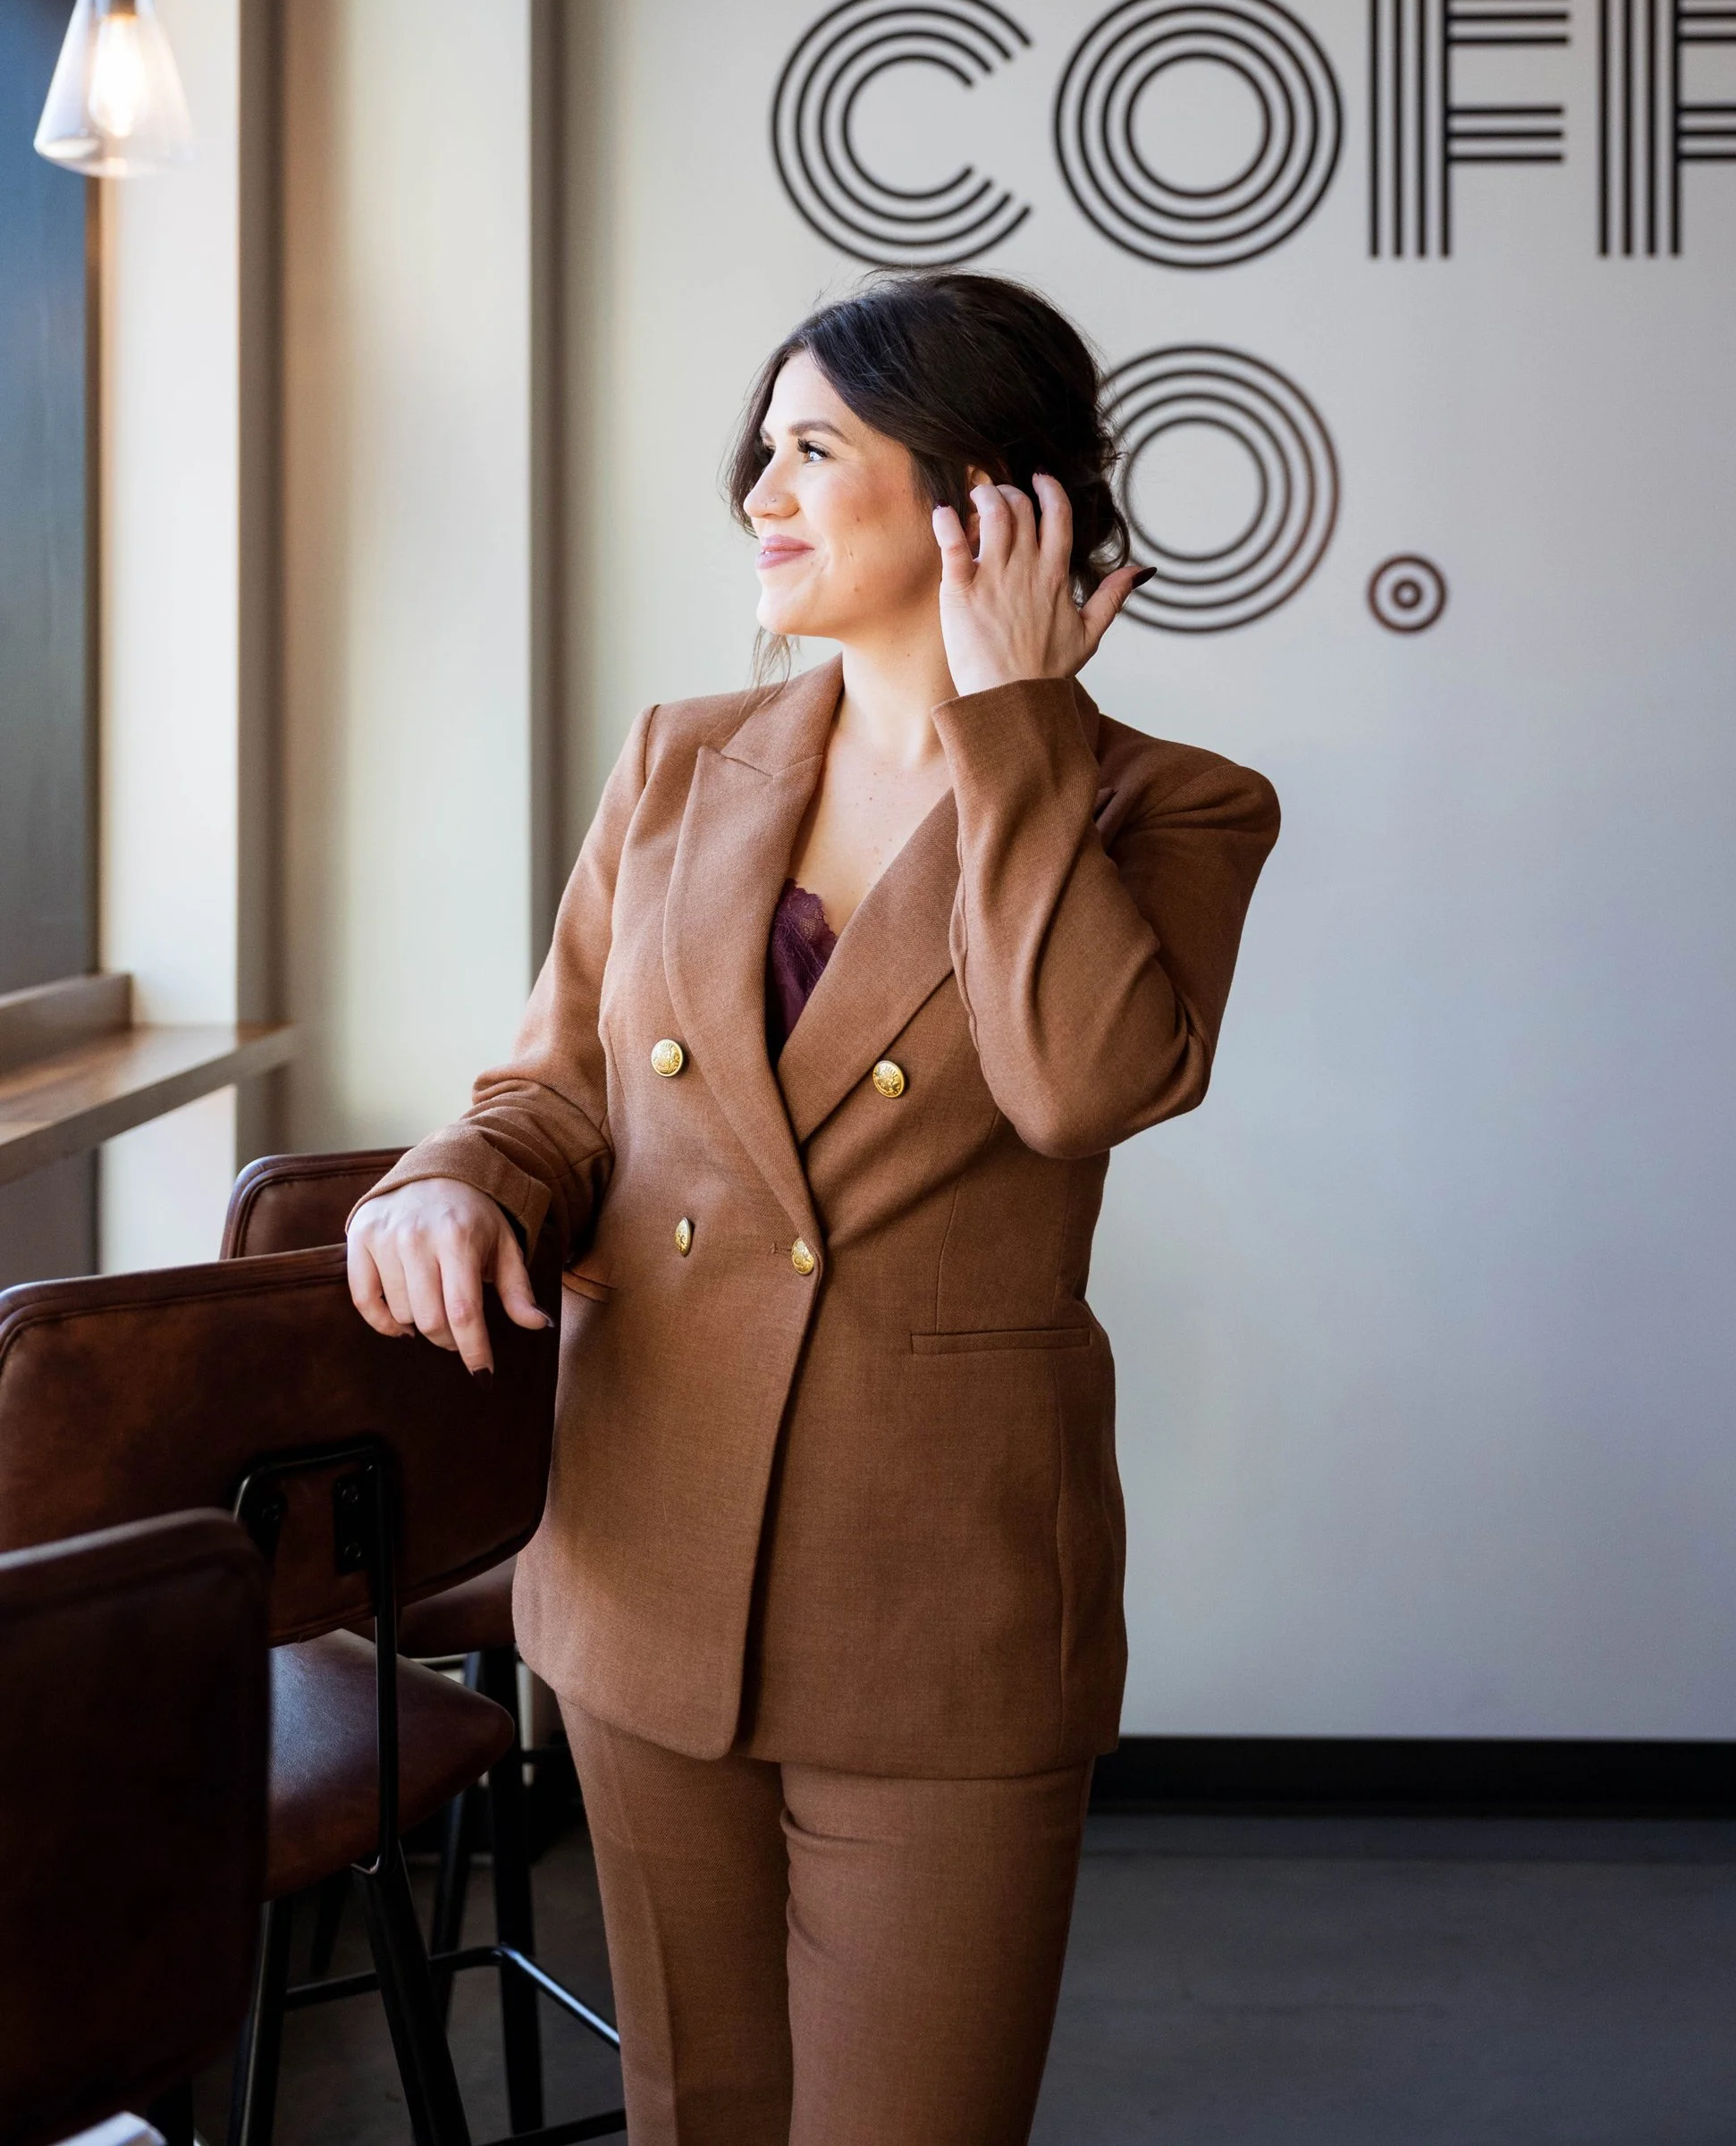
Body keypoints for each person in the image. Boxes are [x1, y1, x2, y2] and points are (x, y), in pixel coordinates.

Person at [345, 271, 1279, 2146]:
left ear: (980, 499)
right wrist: (447, 1177)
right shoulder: (681, 758)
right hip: (637, 1556)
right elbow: (553, 1089)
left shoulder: (1166, 806)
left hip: (939, 1596)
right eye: (756, 451)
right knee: (701, 2111)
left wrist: (1012, 716)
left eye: (811, 450)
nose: (757, 493)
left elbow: (1080, 1081)